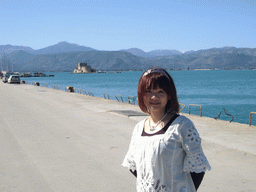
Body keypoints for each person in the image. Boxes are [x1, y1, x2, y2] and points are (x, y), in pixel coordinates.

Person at [122, 68, 211, 192]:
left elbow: (198, 168)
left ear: (169, 95)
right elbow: (133, 165)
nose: (154, 97)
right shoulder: (138, 128)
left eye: (160, 91)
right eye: (149, 91)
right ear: (142, 95)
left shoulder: (182, 125)